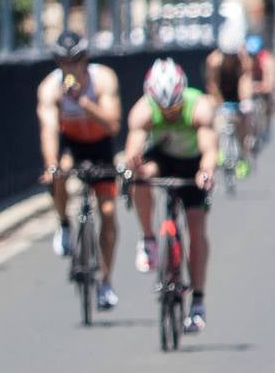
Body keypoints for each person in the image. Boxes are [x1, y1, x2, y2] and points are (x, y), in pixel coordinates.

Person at [123, 58, 217, 333]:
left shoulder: (199, 108)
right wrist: (134, 164)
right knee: (139, 177)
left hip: (193, 161)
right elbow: (133, 149)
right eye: (164, 109)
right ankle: (148, 238)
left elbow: (210, 150)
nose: (170, 114)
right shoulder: (143, 111)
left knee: (196, 227)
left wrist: (206, 171)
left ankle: (198, 300)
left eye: (174, 108)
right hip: (162, 158)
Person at [35, 30, 123, 308]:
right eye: (63, 61)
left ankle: (105, 281)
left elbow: (113, 124)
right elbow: (48, 130)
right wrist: (50, 165)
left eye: (75, 60)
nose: (69, 67)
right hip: (73, 145)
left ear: (85, 59)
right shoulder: (49, 88)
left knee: (107, 213)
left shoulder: (103, 79)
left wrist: (83, 101)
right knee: (59, 171)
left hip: (101, 146)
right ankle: (63, 223)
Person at [204, 30, 253, 178]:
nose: (230, 58)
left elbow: (245, 80)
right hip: (220, 93)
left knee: (243, 123)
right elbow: (212, 84)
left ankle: (243, 156)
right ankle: (218, 149)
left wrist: (245, 100)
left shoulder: (243, 59)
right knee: (215, 118)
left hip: (236, 93)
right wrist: (219, 103)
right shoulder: (214, 61)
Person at [245, 34, 273, 148]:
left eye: (254, 55)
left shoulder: (266, 59)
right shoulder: (245, 58)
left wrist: (262, 87)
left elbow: (269, 82)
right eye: (250, 54)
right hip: (252, 81)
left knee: (268, 103)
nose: (252, 57)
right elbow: (245, 77)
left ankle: (267, 124)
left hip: (262, 80)